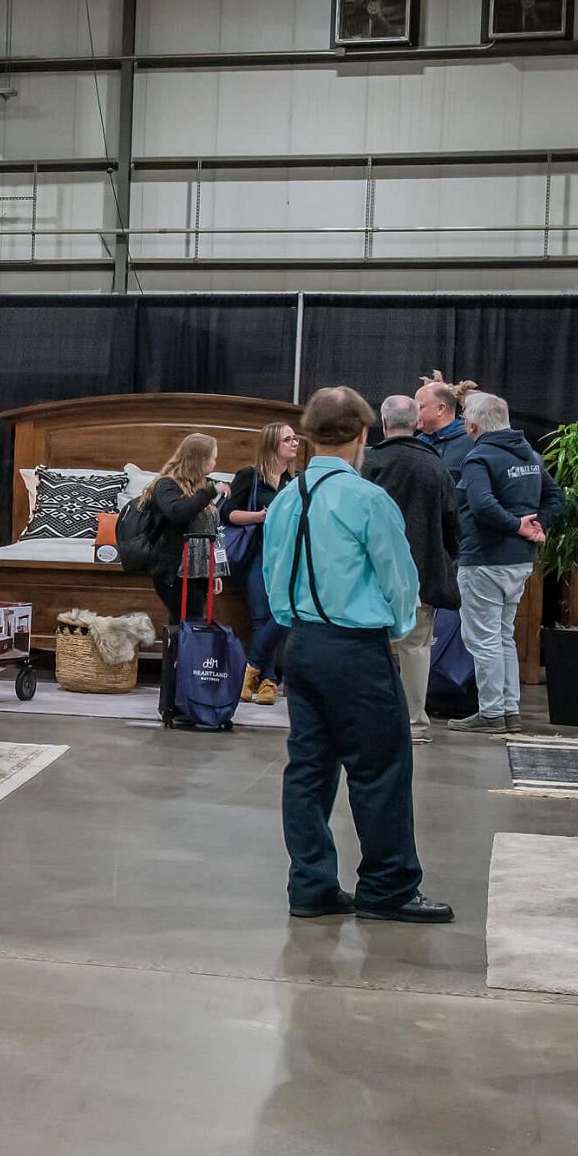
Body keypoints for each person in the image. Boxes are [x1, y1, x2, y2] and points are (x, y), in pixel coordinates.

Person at [260, 386, 453, 924]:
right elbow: (399, 579)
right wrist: (395, 627)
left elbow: (273, 577)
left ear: (308, 435)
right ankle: (388, 887)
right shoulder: (367, 500)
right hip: (356, 649)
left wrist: (297, 622)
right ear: (363, 434)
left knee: (309, 768)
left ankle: (311, 885)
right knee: (381, 767)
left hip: (302, 644)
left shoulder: (285, 500)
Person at [449, 391, 564, 736]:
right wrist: (535, 525)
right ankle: (509, 710)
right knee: (502, 636)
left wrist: (517, 525)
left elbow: (481, 504)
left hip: (484, 558)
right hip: (519, 560)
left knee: (483, 639)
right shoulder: (529, 455)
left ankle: (490, 713)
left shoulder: (478, 458)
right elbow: (556, 498)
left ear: (472, 426)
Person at [361, 393, 462, 743]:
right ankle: (415, 724)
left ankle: (368, 718)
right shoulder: (436, 466)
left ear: (383, 423)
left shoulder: (369, 463)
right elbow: (453, 524)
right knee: (417, 648)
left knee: (367, 645)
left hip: (372, 574)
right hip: (422, 573)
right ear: (416, 423)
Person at [220, 420, 301, 703]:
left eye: (295, 438)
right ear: (271, 445)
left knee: (284, 613)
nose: (294, 443)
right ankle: (268, 681)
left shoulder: (296, 482)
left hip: (286, 556)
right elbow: (228, 514)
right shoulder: (250, 476)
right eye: (287, 439)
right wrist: (259, 516)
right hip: (256, 553)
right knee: (260, 616)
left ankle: (253, 669)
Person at [144, 433, 222, 624]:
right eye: (212, 458)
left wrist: (215, 572)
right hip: (175, 573)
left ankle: (177, 645)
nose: (214, 463)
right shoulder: (166, 485)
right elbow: (178, 513)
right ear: (200, 460)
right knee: (191, 622)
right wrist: (209, 493)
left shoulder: (203, 485)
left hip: (199, 572)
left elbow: (212, 532)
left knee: (184, 625)